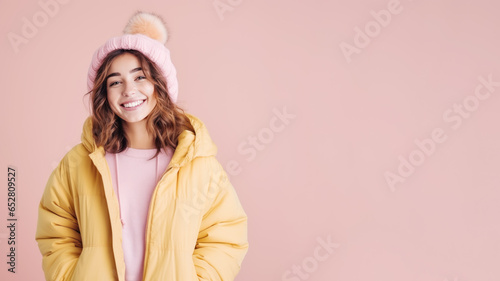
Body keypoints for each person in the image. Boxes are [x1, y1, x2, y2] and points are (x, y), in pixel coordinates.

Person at [35, 11, 248, 281]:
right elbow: (56, 233)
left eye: (140, 77)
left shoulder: (200, 164)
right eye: (115, 82)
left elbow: (225, 238)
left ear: (160, 85)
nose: (128, 90)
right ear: (104, 94)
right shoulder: (78, 163)